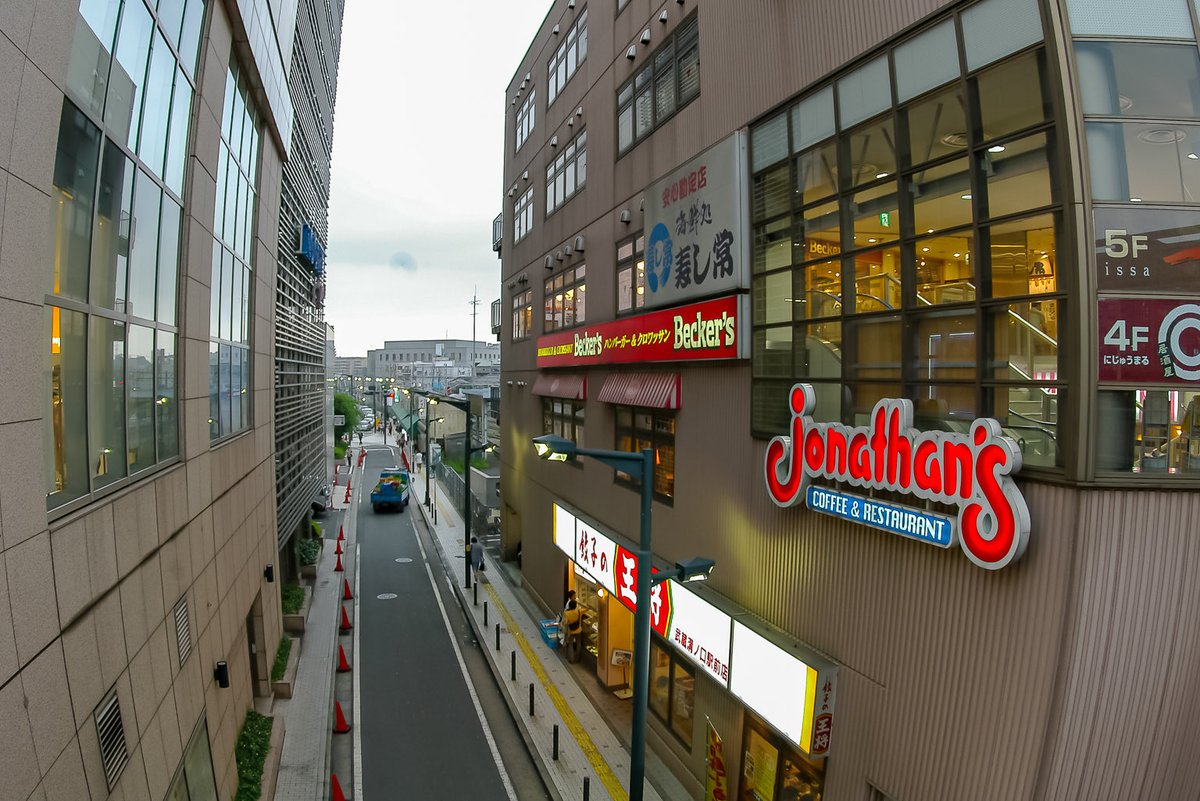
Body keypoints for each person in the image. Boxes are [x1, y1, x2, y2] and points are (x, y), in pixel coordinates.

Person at [563, 598, 583, 662]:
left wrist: (567, 623)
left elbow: (565, 622)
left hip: (571, 631)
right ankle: (578, 658)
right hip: (578, 630)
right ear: (575, 605)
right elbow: (587, 608)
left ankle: (572, 659)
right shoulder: (579, 611)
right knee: (578, 644)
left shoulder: (567, 613)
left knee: (571, 644)